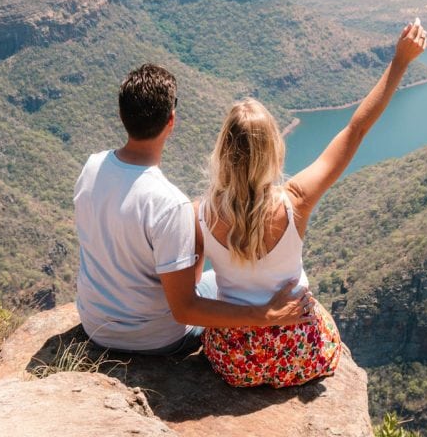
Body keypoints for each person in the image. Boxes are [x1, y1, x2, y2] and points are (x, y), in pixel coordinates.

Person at [197, 20, 427, 387]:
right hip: (300, 351)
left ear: (223, 151)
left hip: (235, 360)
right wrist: (400, 62)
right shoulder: (295, 202)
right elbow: (356, 129)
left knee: (208, 284)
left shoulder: (202, 212)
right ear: (274, 150)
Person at [74, 63, 313, 355]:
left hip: (95, 324)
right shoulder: (170, 204)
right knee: (229, 292)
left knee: (215, 281)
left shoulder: (91, 167)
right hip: (155, 340)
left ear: (122, 114)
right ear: (171, 120)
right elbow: (185, 309)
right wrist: (266, 314)